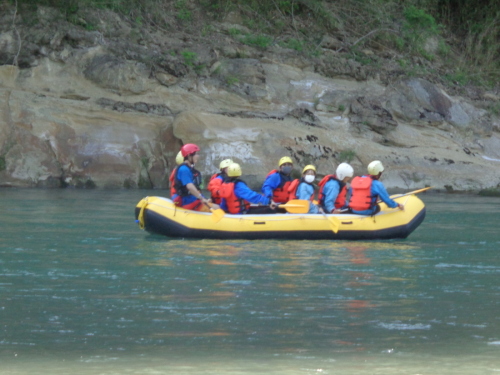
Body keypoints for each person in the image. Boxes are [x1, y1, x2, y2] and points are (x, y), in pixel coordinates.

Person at [173, 143, 215, 211]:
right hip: (186, 200)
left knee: (215, 204)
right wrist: (201, 198)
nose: (198, 156)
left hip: (191, 198)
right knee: (217, 208)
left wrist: (205, 199)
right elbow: (190, 187)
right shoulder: (184, 169)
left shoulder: (189, 169)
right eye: (196, 154)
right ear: (189, 155)